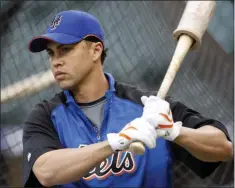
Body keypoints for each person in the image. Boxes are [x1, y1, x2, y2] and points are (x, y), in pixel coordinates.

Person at [22, 10, 233, 188]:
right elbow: (45, 171)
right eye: (51, 54)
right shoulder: (46, 116)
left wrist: (174, 131)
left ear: (96, 50)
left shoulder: (147, 106)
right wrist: (116, 143)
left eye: (65, 50)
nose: (55, 62)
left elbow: (223, 148)